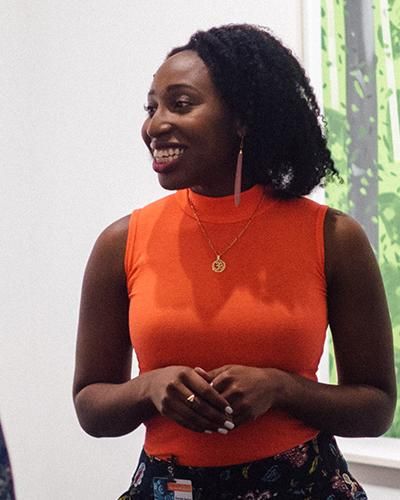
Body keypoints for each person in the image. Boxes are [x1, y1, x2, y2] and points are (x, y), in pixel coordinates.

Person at [73, 24, 396, 499]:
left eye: (180, 104)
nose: (155, 125)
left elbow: (375, 408)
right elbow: (91, 408)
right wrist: (150, 387)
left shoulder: (332, 237)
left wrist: (280, 389)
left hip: (303, 487)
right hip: (171, 488)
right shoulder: (121, 242)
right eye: (152, 107)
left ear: (243, 119)